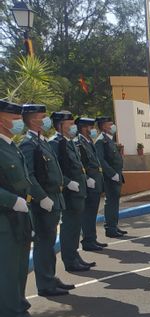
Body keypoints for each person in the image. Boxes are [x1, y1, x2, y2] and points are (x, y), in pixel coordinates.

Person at [20, 103, 74, 297]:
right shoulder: (28, 144)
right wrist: (41, 197)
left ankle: (49, 278)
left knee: (49, 242)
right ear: (33, 120)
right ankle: (45, 283)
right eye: (42, 116)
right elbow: (29, 175)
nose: (45, 120)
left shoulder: (41, 142)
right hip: (43, 202)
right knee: (43, 243)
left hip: (54, 198)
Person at [0, 99, 44, 317]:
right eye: (14, 118)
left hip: (19, 217)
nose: (19, 122)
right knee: (7, 273)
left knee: (18, 271)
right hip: (5, 220)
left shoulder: (12, 146)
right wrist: (11, 200)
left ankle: (20, 314)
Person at [50, 111, 93, 272]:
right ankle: (69, 259)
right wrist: (68, 183)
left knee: (75, 227)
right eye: (70, 124)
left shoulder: (69, 142)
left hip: (78, 192)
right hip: (69, 193)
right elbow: (56, 170)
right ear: (60, 125)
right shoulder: (56, 143)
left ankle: (74, 255)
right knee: (69, 227)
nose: (73, 126)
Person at [73, 117, 106, 253]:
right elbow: (79, 164)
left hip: (95, 181)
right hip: (89, 182)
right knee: (88, 213)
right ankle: (87, 240)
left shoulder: (88, 142)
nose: (92, 130)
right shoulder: (78, 143)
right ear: (83, 128)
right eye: (90, 127)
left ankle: (92, 238)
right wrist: (87, 178)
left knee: (92, 213)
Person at [94, 116, 126, 239]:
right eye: (109, 123)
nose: (112, 125)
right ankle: (110, 228)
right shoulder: (101, 141)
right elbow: (101, 160)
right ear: (103, 126)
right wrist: (112, 174)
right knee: (111, 202)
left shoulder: (109, 139)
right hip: (110, 177)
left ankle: (114, 226)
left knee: (115, 202)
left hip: (116, 175)